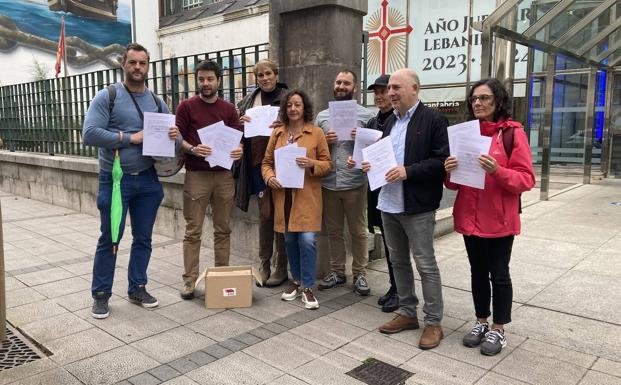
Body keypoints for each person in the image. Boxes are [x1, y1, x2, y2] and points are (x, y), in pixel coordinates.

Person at [83, 43, 181, 319]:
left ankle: (137, 287)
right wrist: (129, 138)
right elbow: (89, 134)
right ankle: (101, 295)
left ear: (148, 66)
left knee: (144, 238)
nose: (138, 67)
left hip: (148, 181)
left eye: (143, 63)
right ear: (123, 64)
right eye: (133, 63)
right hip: (115, 180)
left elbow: (175, 143)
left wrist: (177, 138)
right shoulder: (108, 96)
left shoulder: (157, 101)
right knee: (110, 237)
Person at [358, 68, 449, 350]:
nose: (390, 93)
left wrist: (408, 171)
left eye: (396, 87)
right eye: (389, 89)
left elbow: (441, 161)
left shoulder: (433, 119)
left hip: (417, 206)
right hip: (388, 203)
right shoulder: (388, 123)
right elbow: (383, 157)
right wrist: (370, 165)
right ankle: (408, 312)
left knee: (426, 264)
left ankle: (433, 322)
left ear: (414, 89)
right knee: (397, 262)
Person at [444, 78, 535, 356]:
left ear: (498, 101)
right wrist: (449, 170)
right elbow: (454, 184)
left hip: (498, 220)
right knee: (477, 273)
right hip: (469, 217)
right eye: (474, 99)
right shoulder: (464, 134)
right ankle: (481, 321)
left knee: (500, 274)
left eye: (484, 98)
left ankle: (498, 328)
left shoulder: (511, 133)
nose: (478, 103)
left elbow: (527, 179)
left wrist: (498, 170)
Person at [176, 60, 243, 300]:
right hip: (197, 175)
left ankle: (221, 276)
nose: (206, 83)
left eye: (210, 79)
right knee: (193, 230)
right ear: (197, 80)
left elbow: (237, 140)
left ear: (219, 80)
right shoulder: (186, 107)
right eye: (202, 79)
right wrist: (192, 149)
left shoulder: (228, 109)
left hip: (224, 176)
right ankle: (189, 281)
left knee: (223, 229)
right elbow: (177, 138)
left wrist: (239, 151)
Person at [262, 89, 332, 309]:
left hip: (307, 198)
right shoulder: (277, 134)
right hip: (283, 197)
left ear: (305, 108)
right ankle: (297, 281)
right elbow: (266, 163)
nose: (293, 108)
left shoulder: (316, 133)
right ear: (285, 108)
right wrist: (270, 177)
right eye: (290, 105)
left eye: (297, 105)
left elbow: (327, 164)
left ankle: (309, 287)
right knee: (289, 240)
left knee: (308, 240)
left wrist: (312, 164)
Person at [315, 70, 374, 296]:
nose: (341, 86)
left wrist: (360, 138)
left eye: (346, 83)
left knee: (358, 231)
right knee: (334, 231)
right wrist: (324, 141)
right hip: (329, 182)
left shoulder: (366, 116)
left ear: (355, 87)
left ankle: (360, 274)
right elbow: (313, 149)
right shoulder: (321, 117)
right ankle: (338, 272)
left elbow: (373, 151)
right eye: (338, 82)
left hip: (355, 183)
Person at [235, 59, 289, 287]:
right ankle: (264, 263)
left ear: (276, 74)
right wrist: (239, 122)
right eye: (260, 75)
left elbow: (303, 123)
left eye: (268, 73)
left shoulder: (289, 98)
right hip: (258, 165)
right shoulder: (248, 101)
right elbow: (237, 132)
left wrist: (283, 124)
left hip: (283, 164)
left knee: (281, 217)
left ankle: (281, 266)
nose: (265, 78)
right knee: (265, 215)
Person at [365, 74, 399, 312]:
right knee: (388, 245)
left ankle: (400, 289)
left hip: (396, 190)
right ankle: (394, 286)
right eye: (376, 92)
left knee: (396, 246)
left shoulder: (397, 122)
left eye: (383, 91)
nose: (379, 96)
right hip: (377, 191)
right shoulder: (372, 122)